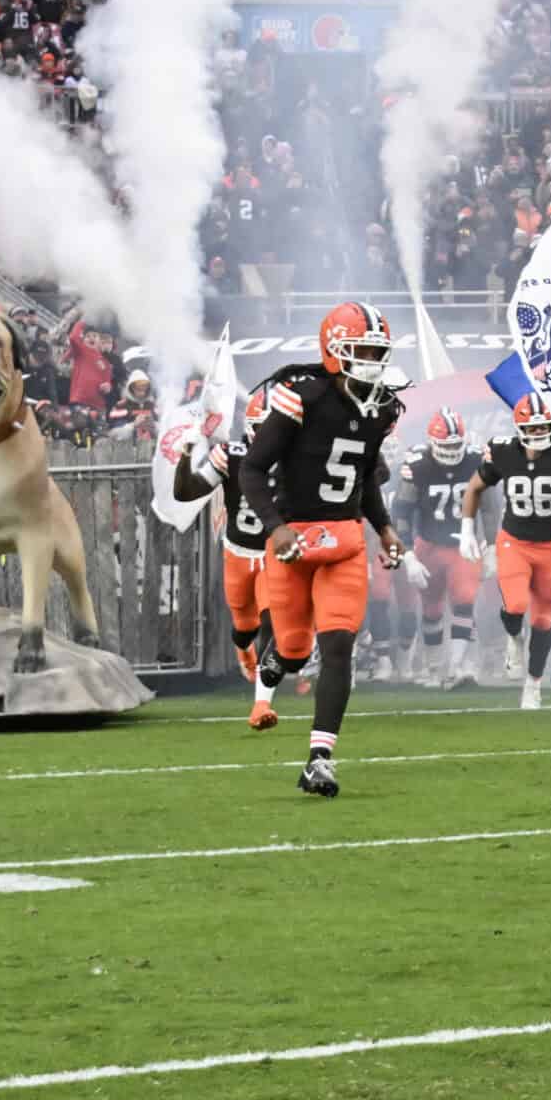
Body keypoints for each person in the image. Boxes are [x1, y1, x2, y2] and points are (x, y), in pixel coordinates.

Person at [238, 302, 408, 799]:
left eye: (379, 351)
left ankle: (320, 759)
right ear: (334, 352)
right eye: (363, 351)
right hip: (294, 540)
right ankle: (278, 659)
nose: (373, 361)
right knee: (294, 650)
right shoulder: (301, 397)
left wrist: (385, 528)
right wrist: (275, 527)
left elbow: (365, 476)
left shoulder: (382, 408)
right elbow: (251, 468)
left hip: (344, 542)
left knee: (338, 645)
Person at [462, 394, 551, 711]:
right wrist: (466, 528)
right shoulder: (503, 451)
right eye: (533, 428)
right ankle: (514, 640)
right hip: (515, 542)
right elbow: (474, 487)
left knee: (543, 620)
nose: (540, 433)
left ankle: (533, 686)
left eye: (544, 427)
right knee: (514, 604)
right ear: (520, 428)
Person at [170, 387, 274, 721]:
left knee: (273, 621)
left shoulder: (298, 457)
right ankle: (245, 651)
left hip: (276, 552)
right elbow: (187, 492)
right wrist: (185, 455)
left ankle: (262, 701)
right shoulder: (232, 453)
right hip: (239, 552)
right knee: (245, 626)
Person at [395, 408, 483, 688]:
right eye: (447, 445)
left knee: (465, 600)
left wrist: (491, 545)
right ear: (432, 442)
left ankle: (456, 667)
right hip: (429, 543)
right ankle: (434, 667)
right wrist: (408, 554)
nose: (452, 451)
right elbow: (402, 512)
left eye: (457, 445)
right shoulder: (418, 464)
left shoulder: (474, 460)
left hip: (463, 544)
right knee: (431, 609)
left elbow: (491, 505)